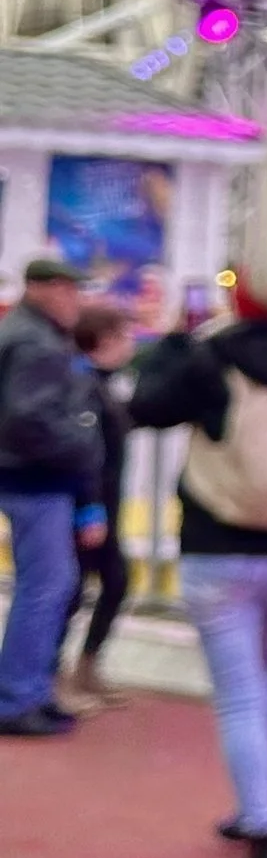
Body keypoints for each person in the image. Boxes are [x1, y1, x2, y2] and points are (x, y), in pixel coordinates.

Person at [129, 254, 267, 858]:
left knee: (239, 693)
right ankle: (262, 799)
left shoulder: (212, 355)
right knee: (266, 675)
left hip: (219, 543)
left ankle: (261, 824)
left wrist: (171, 340)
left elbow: (146, 407)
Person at [0, 256, 103, 738]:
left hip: (29, 475)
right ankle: (19, 696)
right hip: (35, 478)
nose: (75, 300)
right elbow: (27, 418)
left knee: (46, 586)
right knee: (45, 588)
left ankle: (29, 690)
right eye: (69, 289)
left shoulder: (26, 333)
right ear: (46, 288)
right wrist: (82, 443)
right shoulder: (35, 342)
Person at [54, 302, 136, 713]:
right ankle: (54, 675)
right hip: (91, 503)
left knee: (115, 582)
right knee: (72, 590)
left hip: (106, 502)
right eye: (125, 336)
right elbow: (86, 453)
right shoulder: (84, 385)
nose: (132, 345)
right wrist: (89, 508)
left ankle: (85, 667)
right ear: (104, 340)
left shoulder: (105, 383)